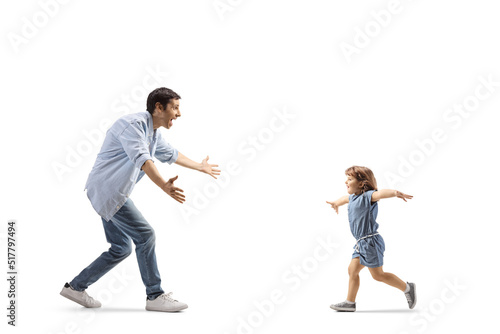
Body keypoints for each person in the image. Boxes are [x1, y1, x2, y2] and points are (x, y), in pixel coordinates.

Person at [60, 87, 220, 312]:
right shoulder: (133, 126)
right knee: (146, 235)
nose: (178, 114)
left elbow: (172, 154)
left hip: (109, 192)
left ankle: (75, 287)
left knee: (121, 247)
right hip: (109, 192)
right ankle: (154, 295)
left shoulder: (152, 133)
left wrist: (199, 166)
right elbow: (143, 160)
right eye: (174, 108)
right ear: (158, 107)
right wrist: (164, 185)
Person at [326, 166, 416, 312]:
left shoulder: (367, 197)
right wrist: (336, 203)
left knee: (378, 275)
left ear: (361, 183)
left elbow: (380, 194)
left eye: (350, 179)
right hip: (361, 243)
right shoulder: (353, 198)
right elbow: (344, 199)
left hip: (370, 243)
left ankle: (407, 287)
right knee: (352, 270)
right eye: (346, 179)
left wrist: (395, 193)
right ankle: (350, 302)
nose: (346, 182)